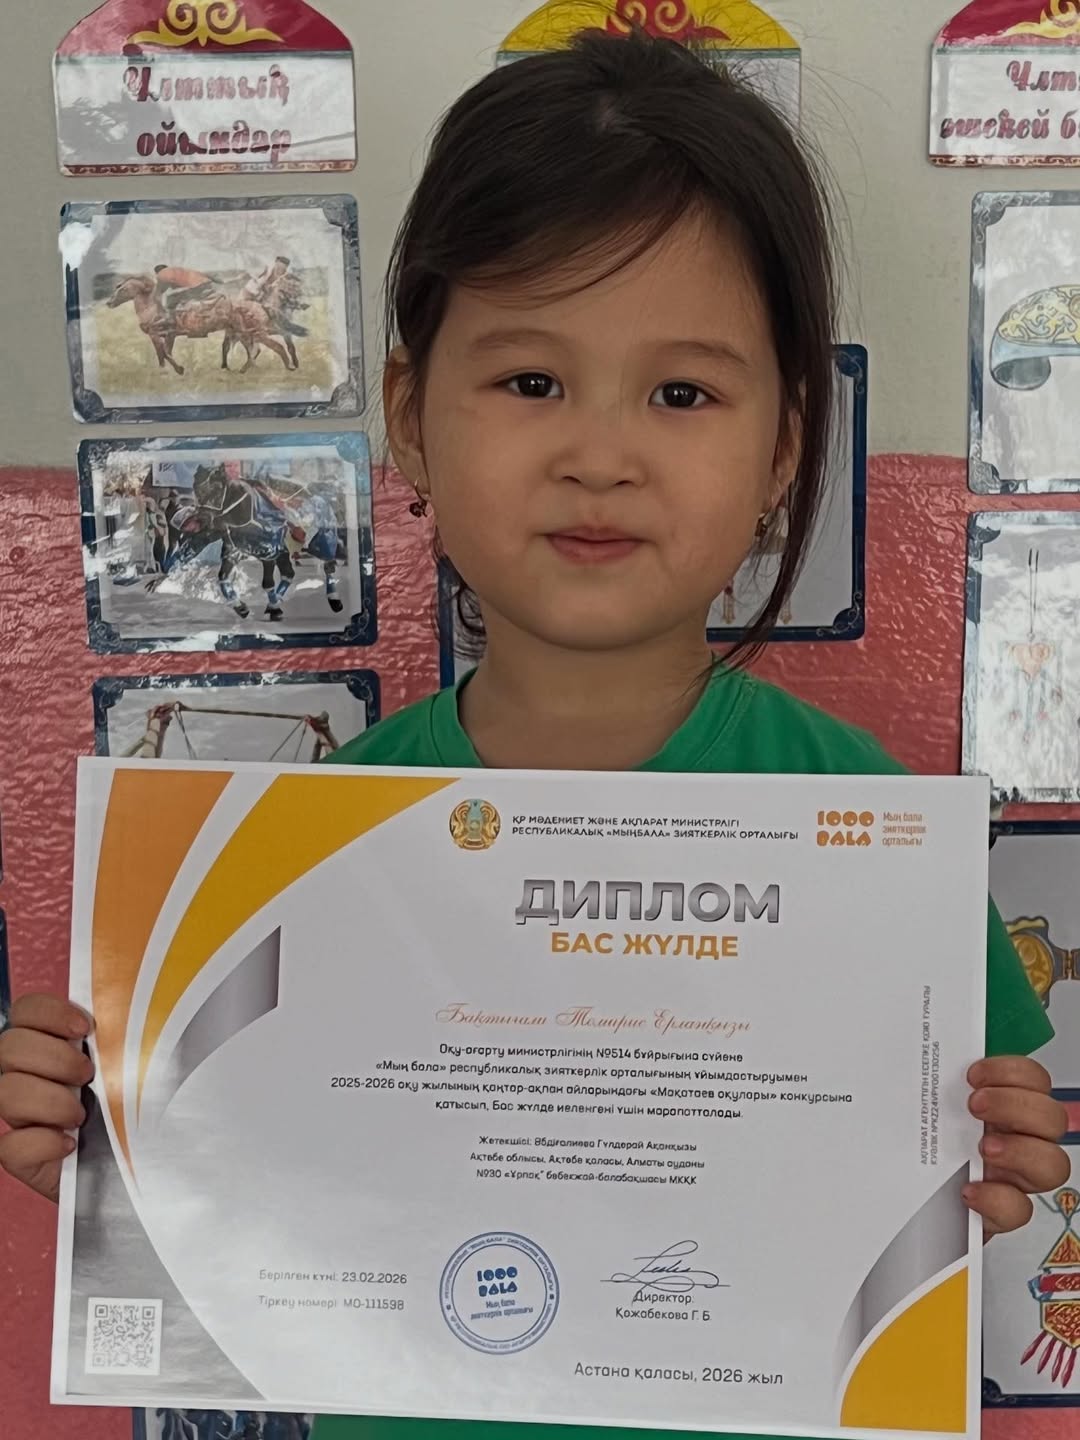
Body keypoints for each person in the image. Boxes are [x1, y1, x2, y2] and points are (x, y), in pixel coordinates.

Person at [0, 28, 1069, 1440]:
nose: (599, 455)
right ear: (412, 420)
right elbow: (244, 1220)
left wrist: (988, 1161)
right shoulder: (290, 857)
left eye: (682, 394)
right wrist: (108, 1155)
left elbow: (972, 1150)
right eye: (530, 383)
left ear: (783, 448)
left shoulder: (868, 831)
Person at [153, 264, 218, 315]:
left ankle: (170, 319)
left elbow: (158, 294)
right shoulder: (176, 270)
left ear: (157, 272)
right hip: (207, 284)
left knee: (170, 298)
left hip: (197, 287)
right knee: (181, 296)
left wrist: (159, 308)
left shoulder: (162, 274)